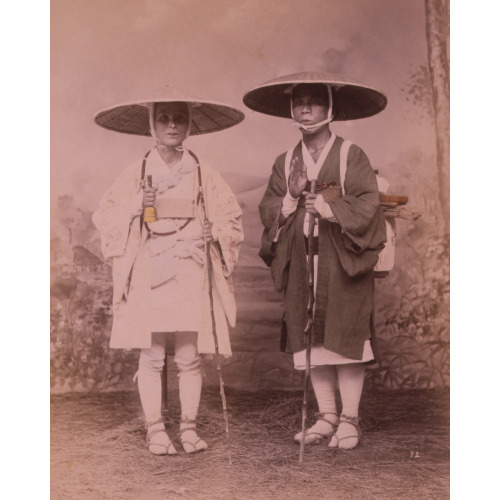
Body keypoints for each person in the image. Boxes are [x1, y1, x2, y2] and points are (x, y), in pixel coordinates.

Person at [92, 86, 244, 455]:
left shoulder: (204, 172)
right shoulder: (137, 172)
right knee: (153, 354)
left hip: (190, 265)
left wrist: (214, 233)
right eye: (164, 117)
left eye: (179, 117)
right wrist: (135, 205)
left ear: (189, 124)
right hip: (150, 267)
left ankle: (189, 429)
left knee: (190, 355)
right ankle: (156, 429)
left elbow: (230, 218)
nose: (172, 124)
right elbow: (106, 217)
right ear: (152, 124)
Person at [243, 72, 387, 449]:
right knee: (314, 343)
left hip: (342, 261)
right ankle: (327, 417)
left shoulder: (350, 154)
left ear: (330, 107)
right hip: (303, 262)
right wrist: (290, 198)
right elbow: (269, 206)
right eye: (299, 101)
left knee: (345, 337)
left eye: (314, 100)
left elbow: (368, 204)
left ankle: (350, 420)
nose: (305, 108)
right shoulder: (286, 159)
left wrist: (326, 206)